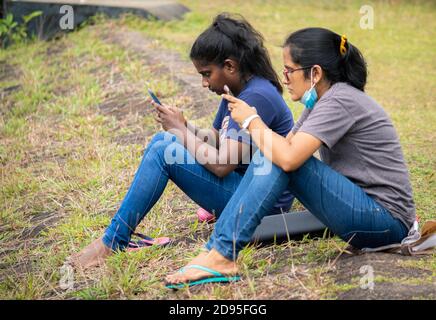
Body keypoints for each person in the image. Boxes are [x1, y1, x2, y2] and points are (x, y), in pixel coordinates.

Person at [165, 27, 416, 288]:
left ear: (315, 73)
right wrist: (254, 124)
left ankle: (221, 254)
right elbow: (282, 148)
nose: (284, 78)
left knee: (279, 156)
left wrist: (251, 120)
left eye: (289, 70)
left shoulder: (340, 100)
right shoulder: (320, 102)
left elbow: (287, 159)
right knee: (272, 151)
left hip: (386, 223)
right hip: (363, 214)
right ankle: (217, 251)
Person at [71, 13, 295, 269]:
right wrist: (184, 125)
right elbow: (217, 139)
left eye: (207, 73)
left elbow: (223, 165)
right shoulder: (237, 91)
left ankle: (113, 241)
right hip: (247, 191)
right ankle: (116, 237)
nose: (203, 83)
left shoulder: (257, 96)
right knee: (163, 141)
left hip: (263, 210)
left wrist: (181, 132)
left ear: (230, 66)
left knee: (164, 149)